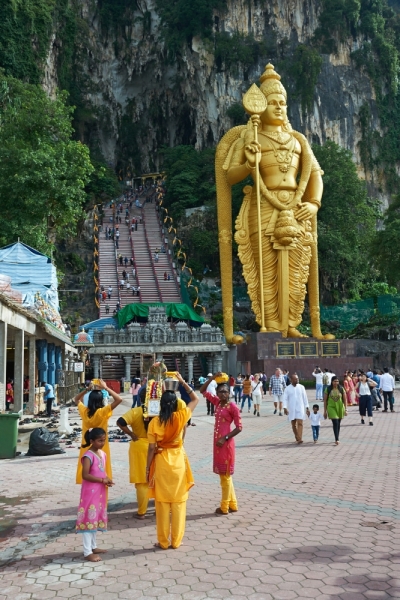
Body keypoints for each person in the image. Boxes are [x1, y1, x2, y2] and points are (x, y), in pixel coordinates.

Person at [146, 374, 199, 549]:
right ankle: (176, 541)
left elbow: (152, 448)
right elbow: (195, 398)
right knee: (178, 502)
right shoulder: (181, 416)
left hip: (161, 461)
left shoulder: (154, 422)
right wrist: (183, 382)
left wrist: (148, 468)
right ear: (176, 404)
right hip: (178, 460)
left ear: (160, 405)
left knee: (162, 503)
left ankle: (163, 541)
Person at [200, 373, 242, 515]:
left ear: (229, 392)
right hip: (217, 443)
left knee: (225, 476)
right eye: (220, 391)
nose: (222, 394)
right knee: (224, 476)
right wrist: (211, 379)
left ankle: (224, 507)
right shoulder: (217, 403)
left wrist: (225, 438)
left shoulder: (233, 407)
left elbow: (239, 427)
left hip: (226, 443)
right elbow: (202, 391)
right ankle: (233, 504)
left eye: (225, 391)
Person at [74, 379, 122, 484]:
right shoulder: (102, 412)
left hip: (87, 444)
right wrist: (106, 388)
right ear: (101, 401)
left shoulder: (85, 412)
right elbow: (119, 399)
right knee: (101, 467)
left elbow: (76, 399)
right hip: (101, 444)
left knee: (87, 468)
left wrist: (87, 390)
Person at [75, 428, 113, 561]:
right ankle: (87, 552)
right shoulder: (88, 456)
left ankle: (93, 546)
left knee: (95, 517)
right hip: (89, 492)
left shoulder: (103, 454)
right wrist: (102, 480)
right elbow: (85, 475)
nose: (102, 443)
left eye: (104, 440)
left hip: (100, 492)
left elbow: (101, 471)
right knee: (88, 518)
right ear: (91, 441)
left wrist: (106, 479)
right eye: (99, 441)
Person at [282, 373, 309, 444]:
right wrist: (285, 407)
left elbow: (305, 398)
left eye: (297, 379)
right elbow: (285, 399)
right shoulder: (287, 389)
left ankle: (299, 438)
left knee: (300, 423)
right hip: (292, 409)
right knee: (293, 425)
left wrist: (307, 407)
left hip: (300, 408)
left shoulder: (301, 387)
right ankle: (297, 436)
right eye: (295, 379)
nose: (297, 380)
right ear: (291, 380)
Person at [323, 376, 347, 445]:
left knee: (338, 423)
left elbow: (345, 399)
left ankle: (337, 436)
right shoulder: (328, 389)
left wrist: (346, 409)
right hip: (331, 407)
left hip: (340, 407)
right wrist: (325, 411)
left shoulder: (341, 389)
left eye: (337, 381)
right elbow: (325, 400)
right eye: (334, 381)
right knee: (335, 422)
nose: (336, 383)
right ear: (331, 382)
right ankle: (337, 439)